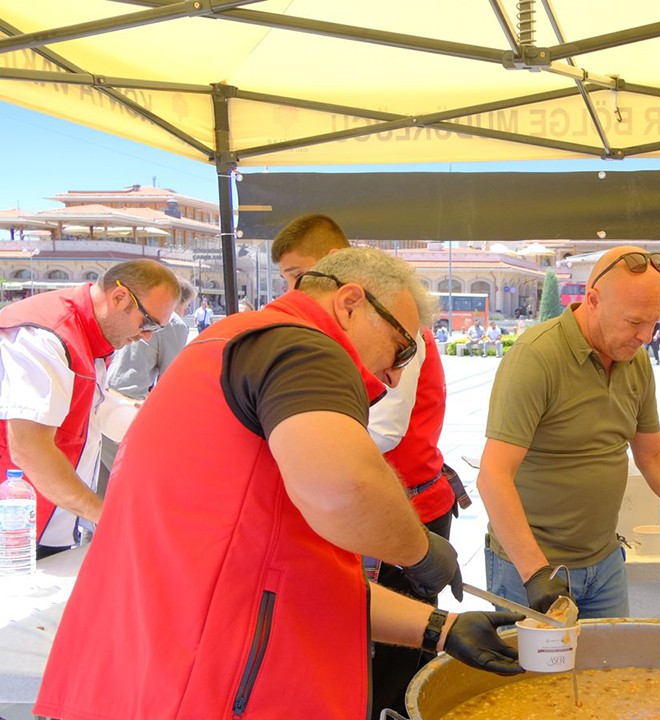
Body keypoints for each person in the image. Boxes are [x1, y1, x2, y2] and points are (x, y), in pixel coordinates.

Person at [34, 248, 520, 720]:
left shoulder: (227, 341)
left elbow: (288, 577)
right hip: (205, 688)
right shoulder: (301, 344)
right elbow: (344, 488)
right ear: (350, 304)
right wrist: (419, 551)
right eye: (402, 348)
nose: (395, 376)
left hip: (143, 677)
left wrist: (441, 628)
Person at [271, 213, 473, 715]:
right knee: (350, 640)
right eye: (287, 280)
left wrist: (418, 551)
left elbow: (384, 431)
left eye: (300, 276)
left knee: (392, 665)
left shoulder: (397, 328)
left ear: (341, 279)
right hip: (365, 510)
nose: (293, 291)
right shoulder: (291, 342)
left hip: (406, 507)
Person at [477, 246, 660, 618]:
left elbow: (652, 454)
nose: (646, 337)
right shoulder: (535, 357)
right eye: (634, 322)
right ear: (593, 300)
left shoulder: (632, 362)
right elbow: (493, 476)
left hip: (604, 564)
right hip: (531, 566)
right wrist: (534, 571)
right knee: (536, 677)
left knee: (610, 674)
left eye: (654, 322)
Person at [0, 259, 179, 557]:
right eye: (147, 323)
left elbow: (94, 412)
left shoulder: (92, 333)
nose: (146, 336)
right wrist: (106, 516)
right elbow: (29, 448)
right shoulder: (45, 335)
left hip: (49, 526)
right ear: (119, 297)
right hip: (17, 531)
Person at [96, 277, 195, 499]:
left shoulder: (129, 314)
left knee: (103, 491)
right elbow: (172, 380)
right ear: (179, 302)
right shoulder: (173, 323)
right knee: (140, 488)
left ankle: (96, 534)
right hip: (128, 407)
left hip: (102, 399)